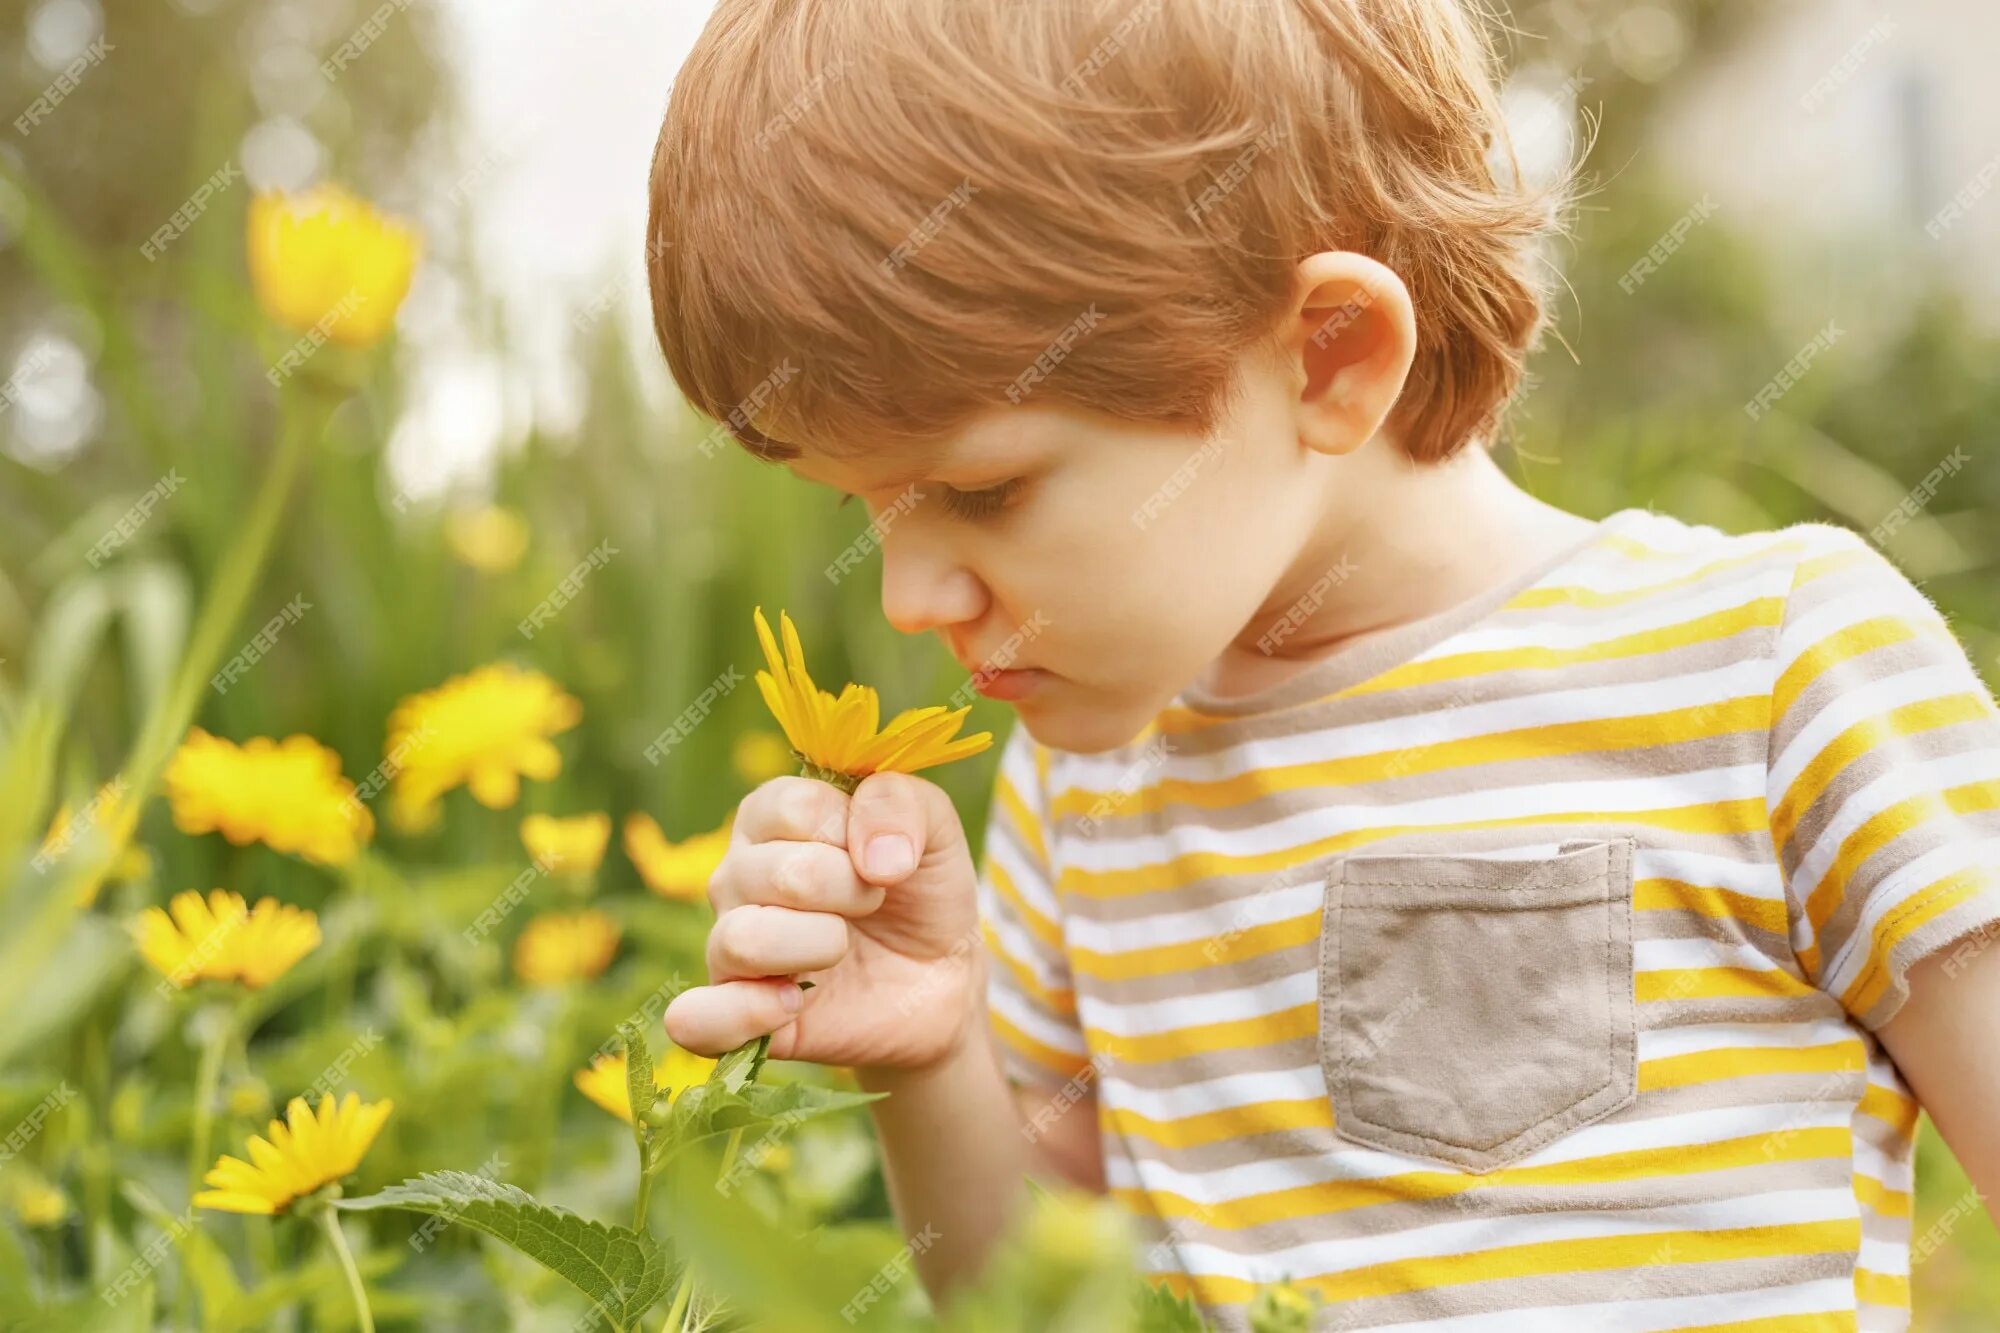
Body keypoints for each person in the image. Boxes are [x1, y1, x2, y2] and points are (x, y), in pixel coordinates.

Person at [647, 1, 2000, 1327]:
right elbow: (1039, 1304)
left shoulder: (1772, 671)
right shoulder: (1087, 792)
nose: (905, 594)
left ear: (1329, 357)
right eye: (861, 508)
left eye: (984, 491)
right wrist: (932, 1052)